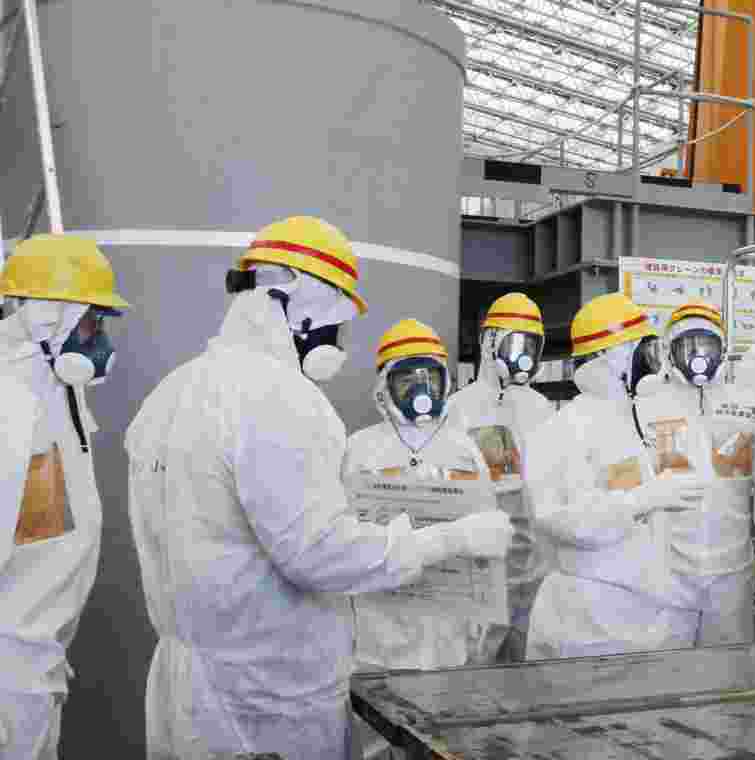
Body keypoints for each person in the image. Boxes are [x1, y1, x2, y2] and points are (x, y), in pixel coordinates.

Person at [124, 216, 512, 760]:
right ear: (306, 305)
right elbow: (318, 553)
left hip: (188, 686)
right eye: (339, 320)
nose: (337, 340)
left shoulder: (171, 393)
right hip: (268, 697)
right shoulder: (280, 396)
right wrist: (450, 540)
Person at [0, 234, 130, 760]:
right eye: (91, 322)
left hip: (35, 666)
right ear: (50, 317)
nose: (98, 340)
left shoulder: (55, 395)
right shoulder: (10, 409)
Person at [524, 292, 695, 660]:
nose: (654, 366)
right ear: (613, 358)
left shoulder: (630, 420)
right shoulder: (563, 430)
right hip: (586, 620)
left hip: (638, 613)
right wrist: (638, 501)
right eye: (643, 353)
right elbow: (560, 519)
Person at [342, 318, 513, 672]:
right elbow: (340, 540)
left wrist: (490, 617)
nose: (421, 389)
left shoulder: (465, 448)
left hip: (448, 631)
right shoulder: (358, 449)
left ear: (444, 381)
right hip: (377, 629)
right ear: (385, 385)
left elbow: (488, 538)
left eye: (430, 377)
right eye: (407, 379)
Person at [636, 301, 755, 647]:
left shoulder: (750, 410)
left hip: (732, 573)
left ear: (723, 349)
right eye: (687, 346)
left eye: (707, 345)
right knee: (666, 670)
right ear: (669, 352)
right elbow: (628, 492)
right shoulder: (644, 410)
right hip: (665, 572)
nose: (698, 356)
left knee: (728, 675)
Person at [446, 293, 554, 662]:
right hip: (482, 571)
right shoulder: (459, 409)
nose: (525, 354)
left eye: (532, 343)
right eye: (517, 340)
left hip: (536, 567)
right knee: (476, 671)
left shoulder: (541, 408)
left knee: (526, 674)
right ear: (489, 342)